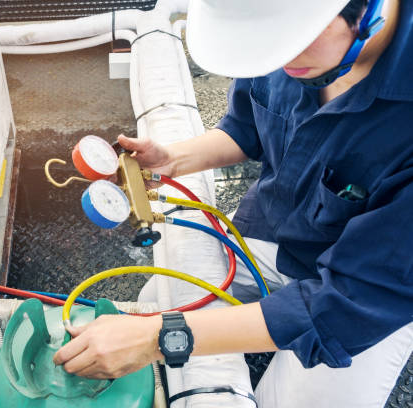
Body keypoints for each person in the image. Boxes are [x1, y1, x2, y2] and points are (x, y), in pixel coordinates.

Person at [54, 0, 413, 405]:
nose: (278, 58)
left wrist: (161, 338)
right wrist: (172, 159)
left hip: (364, 292)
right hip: (272, 235)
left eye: (292, 38)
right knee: (155, 299)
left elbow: (346, 306)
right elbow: (247, 129)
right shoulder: (271, 46)